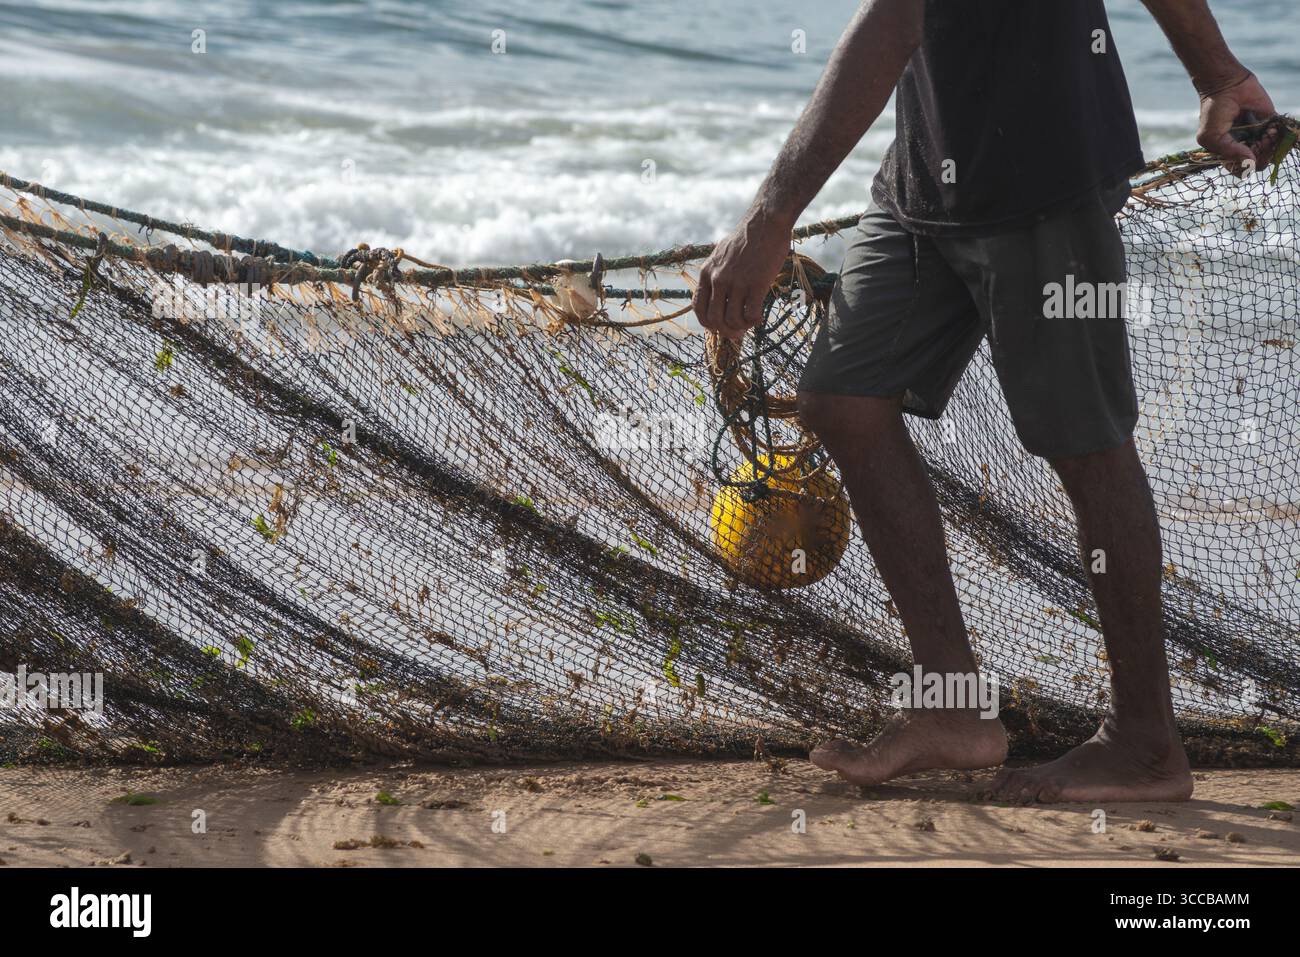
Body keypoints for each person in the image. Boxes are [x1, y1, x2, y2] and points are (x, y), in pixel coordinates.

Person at [692, 0, 1277, 803]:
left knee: (1086, 444)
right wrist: (1218, 74)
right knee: (842, 398)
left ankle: (1145, 740)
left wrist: (770, 220)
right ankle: (953, 708)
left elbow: (892, 21)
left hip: (1050, 180)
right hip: (926, 174)